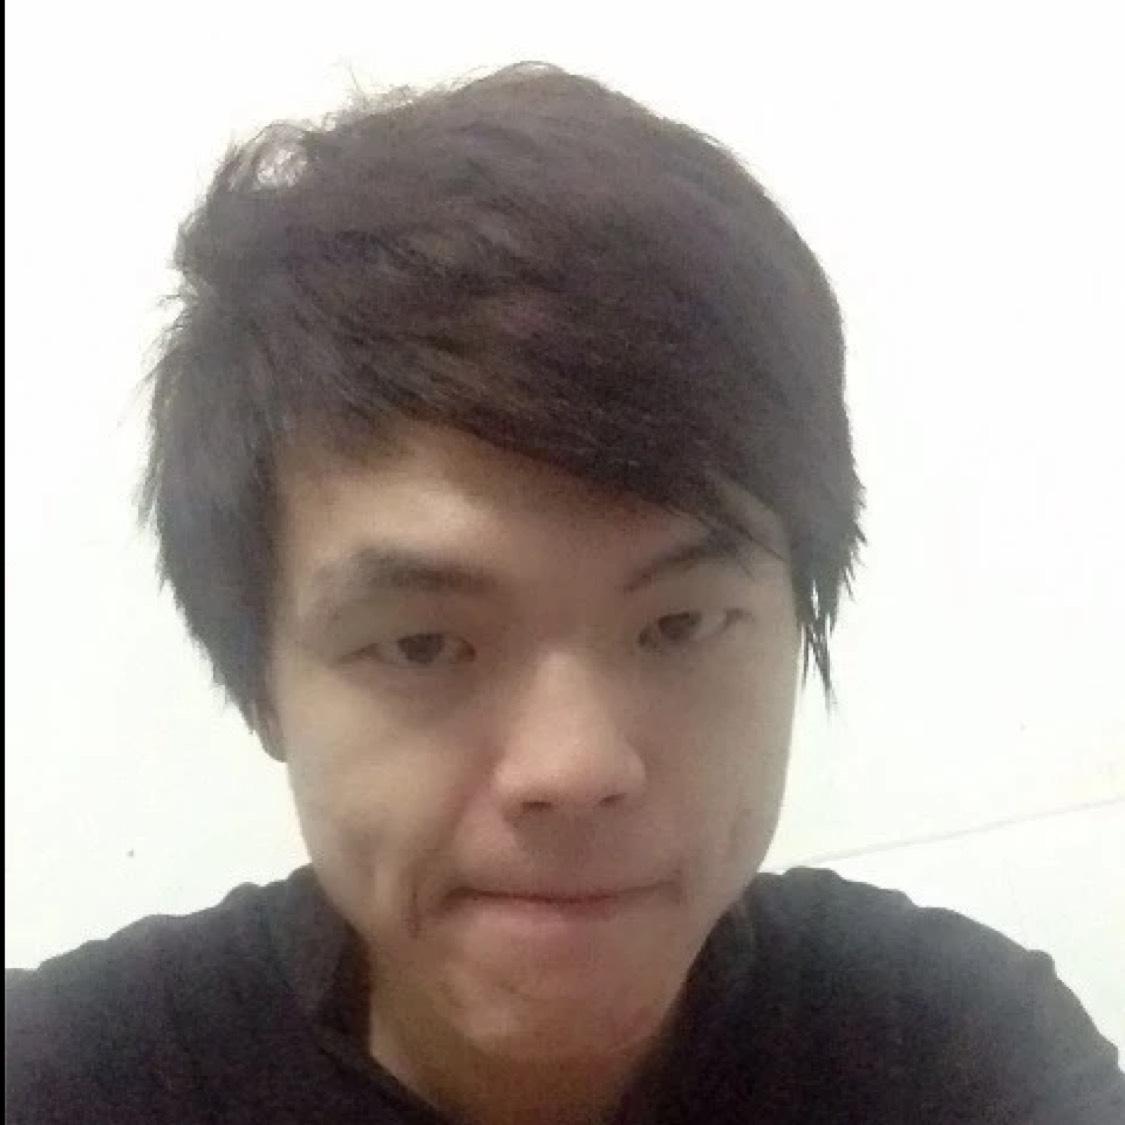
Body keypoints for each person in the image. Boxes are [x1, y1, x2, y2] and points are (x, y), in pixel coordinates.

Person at [5, 61, 1122, 1125]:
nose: (574, 768)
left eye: (679, 623)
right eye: (424, 644)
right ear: (262, 683)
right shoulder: (70, 1080)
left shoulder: (951, 1054)